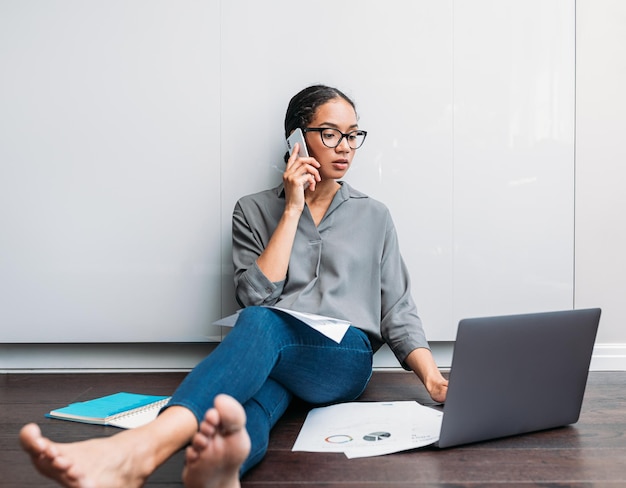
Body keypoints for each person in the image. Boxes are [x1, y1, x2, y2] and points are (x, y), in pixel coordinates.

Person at [19, 84, 448, 487]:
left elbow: (398, 308)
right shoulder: (253, 210)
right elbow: (256, 294)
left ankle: (141, 450)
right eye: (331, 134)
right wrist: (293, 208)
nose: (345, 148)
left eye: (353, 136)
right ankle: (221, 470)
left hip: (341, 358)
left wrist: (431, 379)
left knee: (263, 324)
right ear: (296, 140)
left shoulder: (375, 216)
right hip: (273, 350)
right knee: (246, 409)